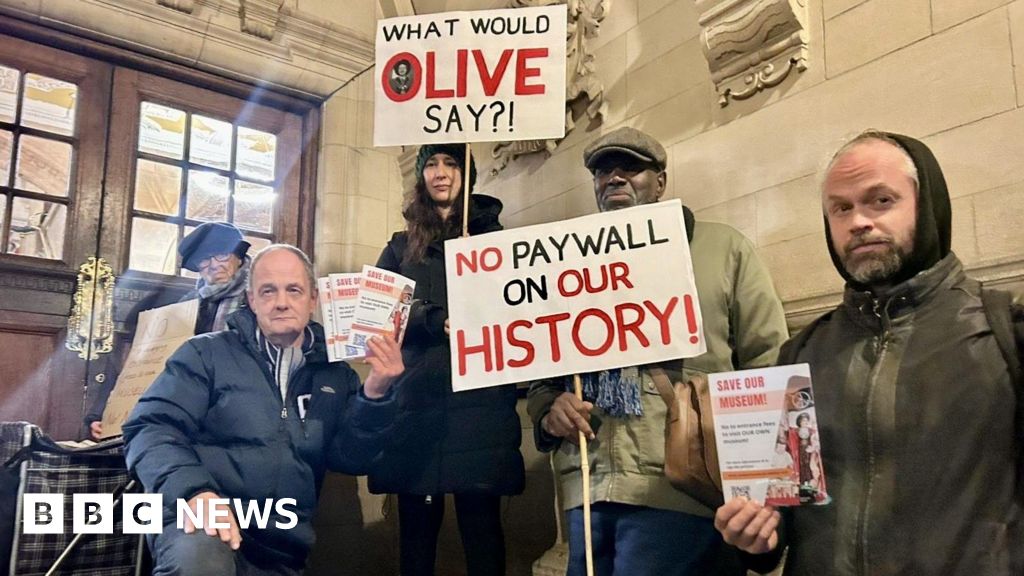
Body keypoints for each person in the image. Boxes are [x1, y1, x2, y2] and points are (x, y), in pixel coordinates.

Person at [715, 130, 1024, 576]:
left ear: (927, 203)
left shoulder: (1003, 334)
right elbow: (776, 519)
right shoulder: (799, 355)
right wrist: (756, 535)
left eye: (880, 201)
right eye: (841, 208)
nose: (858, 221)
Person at [527, 126, 789, 575]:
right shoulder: (566, 266)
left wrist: (765, 505)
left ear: (661, 182)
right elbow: (543, 372)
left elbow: (768, 367)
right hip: (587, 494)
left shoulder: (723, 249)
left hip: (681, 491)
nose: (614, 178)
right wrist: (550, 409)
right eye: (603, 171)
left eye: (630, 167)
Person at [123, 244, 404, 575]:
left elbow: (351, 459)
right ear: (252, 300)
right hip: (200, 523)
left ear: (313, 298)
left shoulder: (336, 375)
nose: (281, 302)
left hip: (282, 542)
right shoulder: (204, 354)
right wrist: (194, 492)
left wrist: (375, 392)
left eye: (293, 290)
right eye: (268, 291)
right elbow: (149, 429)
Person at [368, 143, 525, 576]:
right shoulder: (400, 248)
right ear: (421, 177)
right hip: (417, 403)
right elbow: (379, 311)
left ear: (466, 173)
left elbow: (521, 308)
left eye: (451, 163)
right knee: (416, 537)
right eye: (431, 164)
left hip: (480, 404)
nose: (441, 173)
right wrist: (433, 319)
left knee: (483, 533)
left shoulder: (499, 241)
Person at [84, 221, 252, 439]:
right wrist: (103, 414)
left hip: (240, 408)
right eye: (204, 259)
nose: (212, 265)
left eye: (221, 254)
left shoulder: (259, 298)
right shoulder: (188, 304)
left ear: (238, 255)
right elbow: (146, 363)